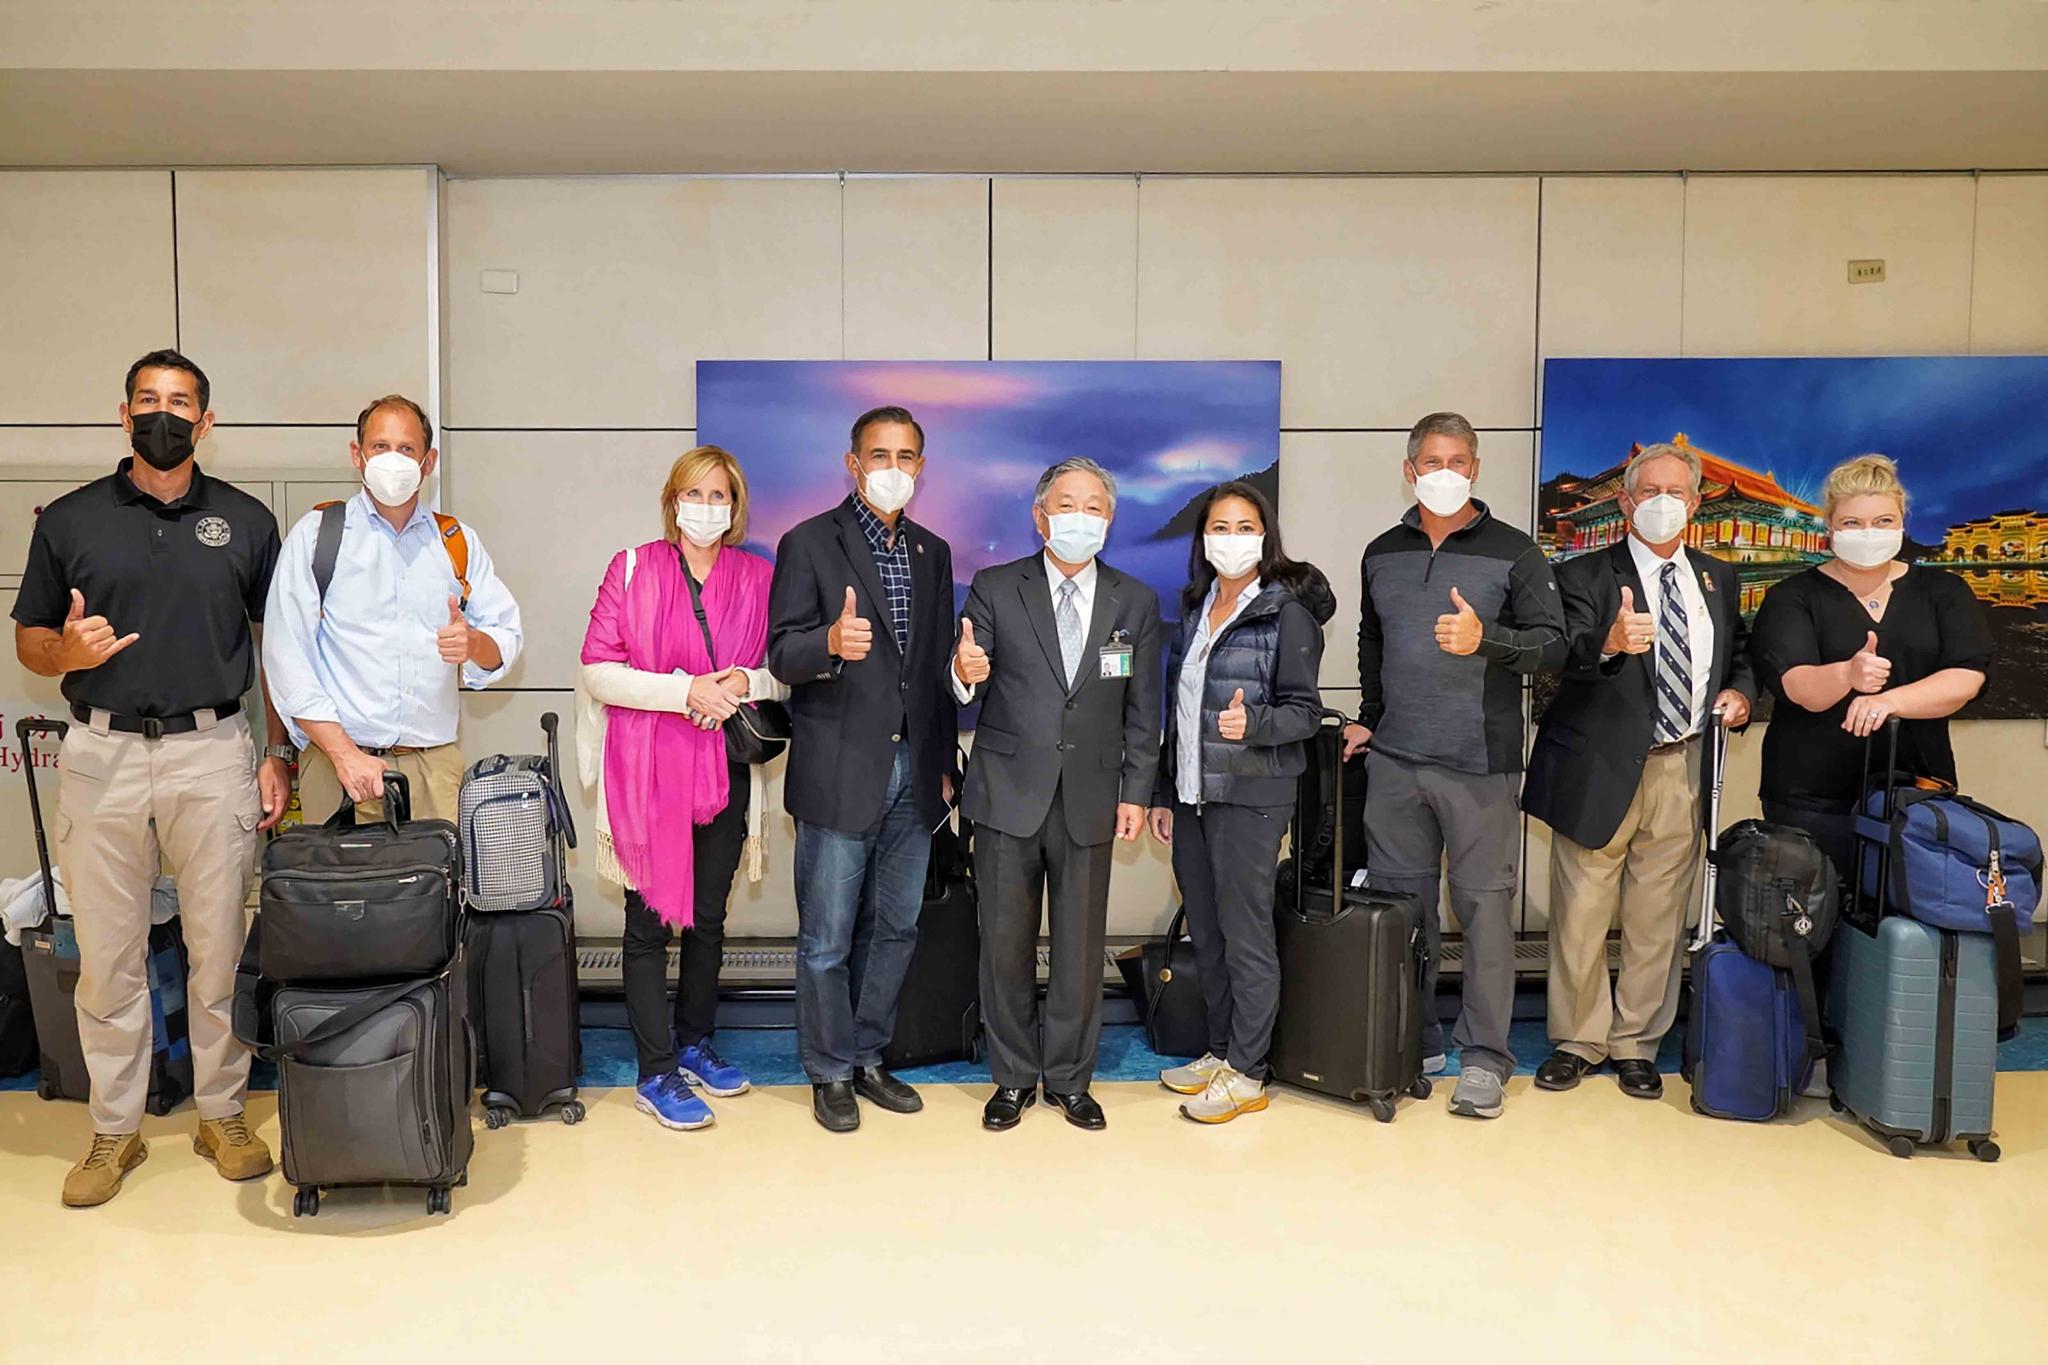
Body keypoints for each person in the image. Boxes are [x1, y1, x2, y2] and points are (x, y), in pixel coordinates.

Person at [12, 349, 289, 1206]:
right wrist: (68, 651)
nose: (162, 414)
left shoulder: (246, 521)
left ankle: (222, 1112)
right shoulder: (69, 519)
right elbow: (28, 640)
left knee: (217, 949)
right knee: (107, 957)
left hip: (214, 752)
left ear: (206, 422)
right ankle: (113, 1130)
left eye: (180, 403)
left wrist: (279, 752)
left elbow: (276, 650)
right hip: (102, 755)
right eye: (147, 400)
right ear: (122, 413)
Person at [1341, 411, 1566, 1120]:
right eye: (1431, 460)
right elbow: (1370, 640)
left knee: (1484, 910)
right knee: (1402, 911)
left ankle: (1485, 1058)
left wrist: (1486, 638)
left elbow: (1553, 646)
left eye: (1459, 461)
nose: (1445, 472)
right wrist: (1370, 718)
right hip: (1396, 764)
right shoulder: (1381, 550)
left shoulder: (1516, 552)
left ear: (1474, 468)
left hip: (1480, 765)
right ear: (1410, 470)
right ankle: (1414, 1041)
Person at [1522, 442, 1756, 1100]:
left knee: (1659, 914)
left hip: (1678, 765)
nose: (1661, 503)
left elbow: (1738, 651)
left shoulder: (1718, 576)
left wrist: (1740, 692)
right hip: (1598, 764)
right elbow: (1557, 656)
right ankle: (1577, 1038)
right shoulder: (1581, 575)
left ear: (1696, 501)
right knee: (1582, 910)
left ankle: (1636, 1042)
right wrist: (1609, 643)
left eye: (1674, 492)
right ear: (1624, 502)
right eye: (1647, 491)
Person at [578, 446, 789, 1130]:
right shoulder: (632, 567)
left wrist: (743, 682)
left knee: (709, 915)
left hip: (724, 769)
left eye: (719, 495)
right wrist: (683, 690)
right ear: (672, 502)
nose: (706, 507)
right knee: (646, 926)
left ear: (735, 507)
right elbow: (599, 670)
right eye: (693, 494)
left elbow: (780, 670)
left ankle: (696, 1042)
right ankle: (655, 1068)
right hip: (646, 771)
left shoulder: (757, 576)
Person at [951, 458, 1162, 1132]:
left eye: (1094, 505)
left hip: (1094, 799)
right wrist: (963, 670)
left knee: (1078, 948)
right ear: (1041, 517)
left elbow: (1141, 708)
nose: (1080, 516)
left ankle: (1071, 1078)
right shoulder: (994, 586)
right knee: (1003, 944)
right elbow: (966, 677)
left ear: (1110, 518)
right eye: (1067, 504)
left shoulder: (1135, 599)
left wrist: (1136, 789)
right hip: (1008, 794)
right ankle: (1012, 1077)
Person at [767, 405, 958, 1132]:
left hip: (918, 769)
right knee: (826, 935)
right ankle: (829, 1069)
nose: (892, 469)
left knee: (898, 927)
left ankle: (871, 1054)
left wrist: (942, 765)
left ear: (921, 467)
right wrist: (829, 643)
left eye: (906, 456)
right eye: (878, 455)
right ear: (852, 463)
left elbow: (937, 666)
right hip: (840, 767)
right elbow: (782, 654)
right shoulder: (809, 542)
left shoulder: (932, 552)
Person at [1147, 482, 1331, 1124]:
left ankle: (1248, 1071)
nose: (1231, 538)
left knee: (1246, 934)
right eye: (1218, 527)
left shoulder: (1286, 613)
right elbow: (1178, 712)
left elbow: (1306, 714)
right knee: (1210, 931)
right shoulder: (1197, 609)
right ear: (1203, 540)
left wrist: (1253, 724)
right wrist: (1166, 791)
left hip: (1251, 800)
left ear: (1265, 535)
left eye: (1244, 526)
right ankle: (1220, 1051)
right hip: (1195, 798)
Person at [263, 394, 523, 824]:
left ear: (428, 461)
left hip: (431, 768)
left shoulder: (455, 542)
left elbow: (507, 640)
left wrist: (474, 643)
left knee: (431, 890)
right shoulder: (318, 536)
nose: (392, 459)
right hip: (337, 765)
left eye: (406, 449)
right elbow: (285, 656)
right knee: (341, 891)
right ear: (357, 454)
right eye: (379, 447)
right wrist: (343, 754)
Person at [1749, 453, 1990, 881]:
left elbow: (1966, 676)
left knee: (1909, 923)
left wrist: (1888, 700)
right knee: (1809, 926)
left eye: (1882, 521)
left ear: (1902, 522)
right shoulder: (1793, 596)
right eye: (1852, 523)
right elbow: (1797, 685)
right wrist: (1847, 674)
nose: (1868, 533)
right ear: (1830, 528)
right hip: (1811, 795)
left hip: (1918, 792)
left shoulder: (1944, 590)